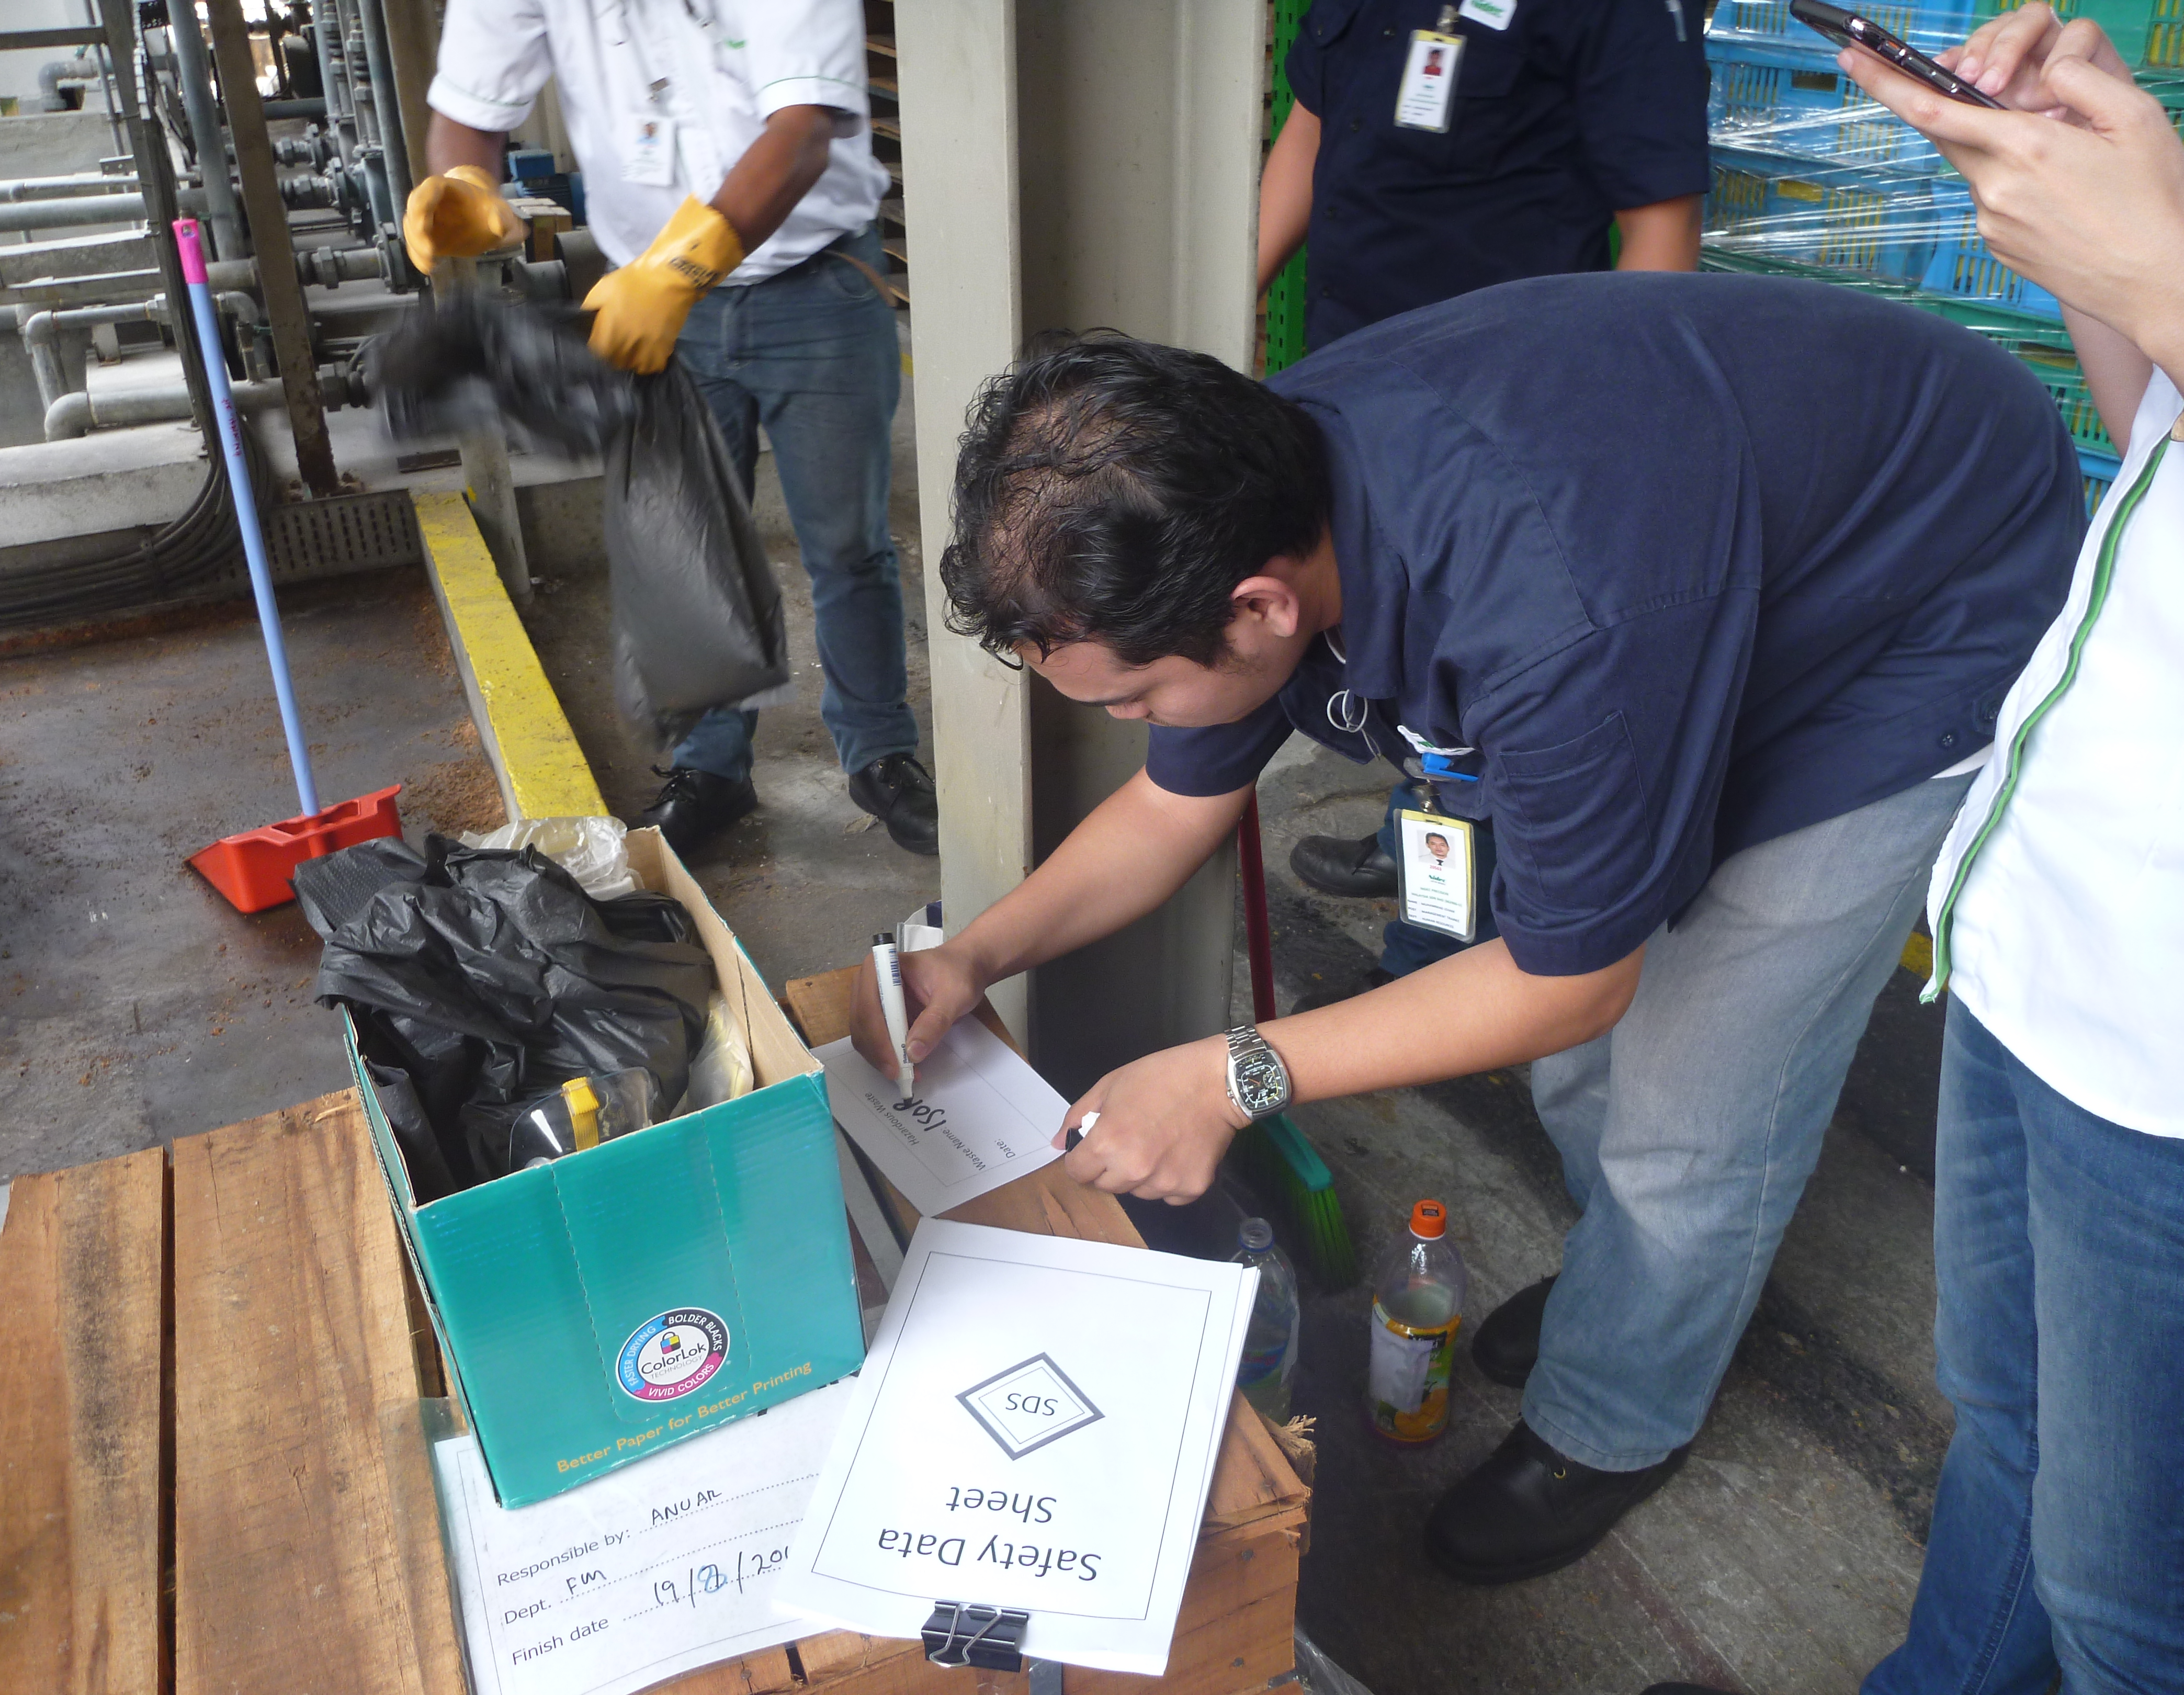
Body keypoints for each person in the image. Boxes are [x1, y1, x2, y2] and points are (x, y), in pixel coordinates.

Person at [851, 273, 2079, 1584]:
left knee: (1696, 1097)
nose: (1129, 721)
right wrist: (975, 954)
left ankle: (1616, 1421)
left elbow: (1571, 981)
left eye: (1139, 694)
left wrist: (1230, 1076)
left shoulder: (1548, 616)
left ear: (1263, 609)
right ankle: (1639, 1279)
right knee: (1581, 1065)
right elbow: (1168, 810)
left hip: (1916, 616)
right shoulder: (1226, 504)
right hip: (1696, 569)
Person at [1825, 12, 2183, 1691]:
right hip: (2038, 926)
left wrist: (2163, 272)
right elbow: (2160, 449)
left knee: (2127, 1603)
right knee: (2008, 1421)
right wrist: (2098, 253)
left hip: (2164, 1056)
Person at [406, 0, 937, 857]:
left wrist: (681, 268)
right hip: (650, 301)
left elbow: (803, 131)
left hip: (815, 285)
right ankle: (711, 769)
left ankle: (880, 753)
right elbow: (469, 105)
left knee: (846, 542)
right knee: (682, 542)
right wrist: (465, 179)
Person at [1260, 0, 1710, 995]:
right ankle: (1421, 846)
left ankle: (1436, 971)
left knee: (1484, 702)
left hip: (1501, 431)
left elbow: (1662, 225)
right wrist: (1219, 302)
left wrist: (1604, 444)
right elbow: (1310, 132)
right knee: (1394, 675)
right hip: (1348, 403)